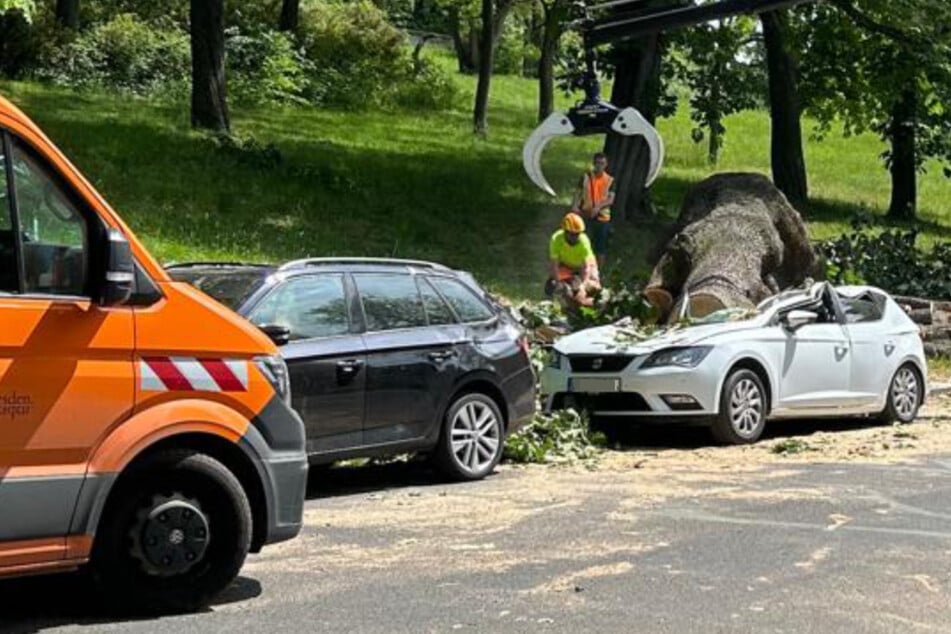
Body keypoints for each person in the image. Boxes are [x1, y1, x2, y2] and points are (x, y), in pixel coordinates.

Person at [546, 212, 600, 308]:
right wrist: (558, 282)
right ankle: (565, 305)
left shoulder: (584, 241)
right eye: (572, 234)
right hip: (566, 265)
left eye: (577, 234)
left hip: (585, 266)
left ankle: (595, 304)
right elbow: (554, 265)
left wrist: (583, 285)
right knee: (552, 286)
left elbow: (586, 267)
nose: (575, 237)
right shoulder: (556, 239)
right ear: (565, 231)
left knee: (594, 287)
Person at [572, 152, 616, 269]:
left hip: (602, 218)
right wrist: (575, 207)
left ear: (606, 165)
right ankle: (581, 269)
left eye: (602, 163)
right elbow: (578, 193)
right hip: (585, 215)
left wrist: (599, 207)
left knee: (600, 248)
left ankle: (597, 273)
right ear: (593, 163)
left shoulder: (610, 180)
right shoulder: (585, 177)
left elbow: (611, 199)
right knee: (582, 243)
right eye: (597, 163)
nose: (599, 166)